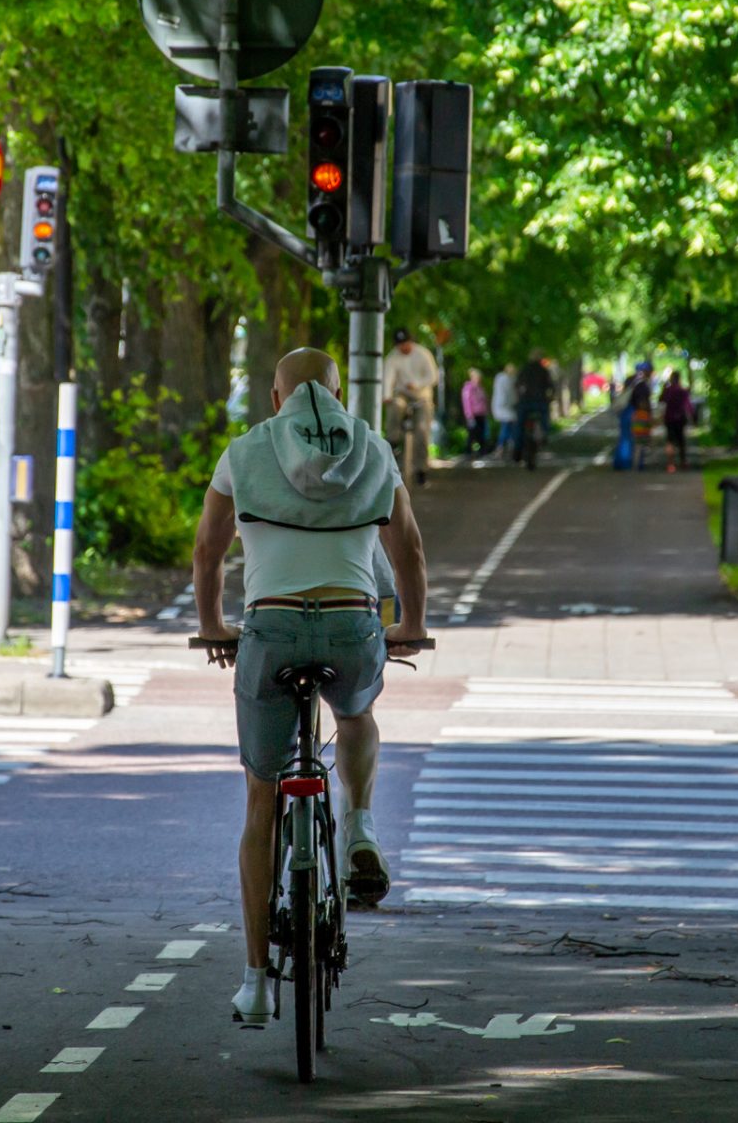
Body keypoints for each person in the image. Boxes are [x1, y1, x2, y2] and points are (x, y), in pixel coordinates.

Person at [191, 347, 430, 1024]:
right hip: (354, 628)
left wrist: (215, 627)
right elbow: (408, 548)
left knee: (260, 800)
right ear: (338, 395)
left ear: (276, 399)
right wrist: (409, 624)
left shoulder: (243, 453)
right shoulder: (374, 450)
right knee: (356, 713)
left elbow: (209, 550)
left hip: (270, 634)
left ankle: (257, 982)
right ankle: (357, 826)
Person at [382, 327, 439, 486]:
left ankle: (421, 469)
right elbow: (388, 376)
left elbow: (433, 376)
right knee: (396, 405)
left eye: (405, 343)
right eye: (400, 345)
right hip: (402, 393)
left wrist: (418, 384)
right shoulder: (392, 357)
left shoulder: (423, 354)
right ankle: (392, 440)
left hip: (422, 396)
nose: (403, 347)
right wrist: (386, 395)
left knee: (421, 429)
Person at [514, 350, 556, 469]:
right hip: (540, 402)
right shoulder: (544, 370)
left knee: (519, 425)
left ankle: (517, 450)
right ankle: (544, 436)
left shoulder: (524, 369)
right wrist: (550, 398)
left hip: (525, 402)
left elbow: (517, 385)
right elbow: (551, 387)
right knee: (544, 419)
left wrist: (519, 397)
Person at [659, 367, 693, 472]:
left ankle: (670, 464)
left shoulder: (668, 390)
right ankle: (683, 462)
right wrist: (692, 416)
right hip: (680, 418)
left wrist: (664, 389)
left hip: (669, 418)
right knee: (681, 440)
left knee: (670, 440)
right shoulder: (683, 391)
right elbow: (688, 405)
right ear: (679, 379)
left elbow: (661, 400)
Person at [490, 363, 518, 460]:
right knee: (507, 429)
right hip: (506, 408)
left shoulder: (500, 379)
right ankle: (504, 448)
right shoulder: (508, 380)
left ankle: (504, 448)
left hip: (502, 407)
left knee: (507, 428)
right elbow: (511, 395)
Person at [460, 367, 489, 456]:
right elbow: (467, 402)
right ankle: (468, 451)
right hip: (473, 415)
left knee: (481, 434)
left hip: (481, 414)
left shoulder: (480, 388)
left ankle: (482, 451)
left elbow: (484, 401)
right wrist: (469, 415)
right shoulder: (468, 388)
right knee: (472, 433)